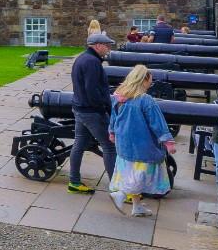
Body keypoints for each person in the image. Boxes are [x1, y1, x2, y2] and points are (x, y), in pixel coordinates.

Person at [109, 65, 177, 217]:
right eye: (150, 81)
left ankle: (137, 206)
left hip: (124, 143)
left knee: (130, 173)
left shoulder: (119, 96)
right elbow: (158, 123)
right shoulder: (145, 100)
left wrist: (112, 132)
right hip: (142, 145)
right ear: (143, 80)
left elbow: (113, 117)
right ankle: (121, 194)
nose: (150, 84)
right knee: (141, 175)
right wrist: (168, 142)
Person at [66, 31, 118, 194]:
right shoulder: (92, 62)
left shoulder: (83, 58)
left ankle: (74, 182)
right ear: (98, 46)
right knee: (110, 147)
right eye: (107, 45)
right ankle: (117, 188)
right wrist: (103, 108)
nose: (109, 48)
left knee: (79, 144)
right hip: (91, 112)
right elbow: (92, 90)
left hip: (80, 108)